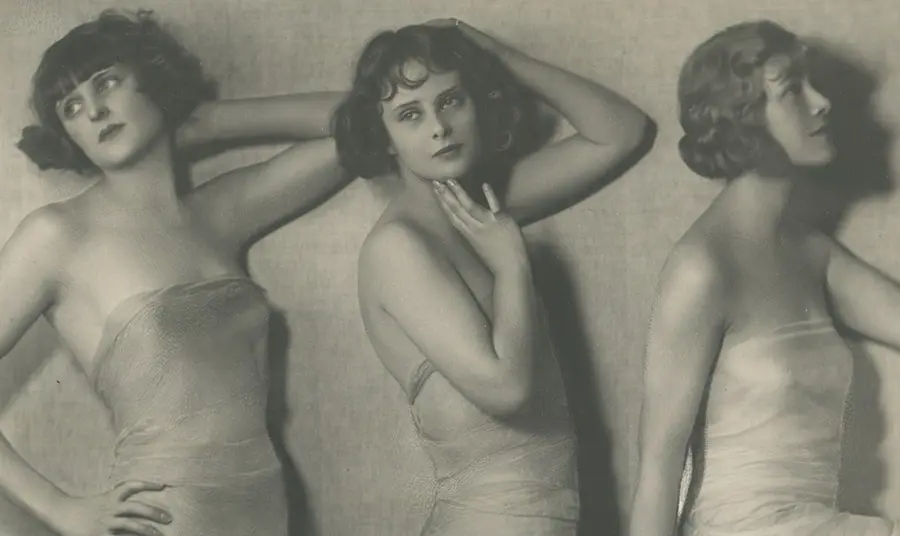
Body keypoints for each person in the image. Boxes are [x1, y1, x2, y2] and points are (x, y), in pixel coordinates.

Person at [6, 9, 348, 536]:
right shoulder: (58, 234)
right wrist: (60, 509)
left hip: (268, 512)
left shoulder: (220, 212)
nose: (95, 111)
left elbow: (367, 124)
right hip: (163, 521)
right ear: (68, 133)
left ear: (153, 78)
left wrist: (198, 121)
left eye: (108, 83)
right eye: (71, 107)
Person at [333, 18, 650, 535]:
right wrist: (510, 264)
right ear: (385, 138)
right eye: (410, 115)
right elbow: (507, 390)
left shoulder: (483, 211)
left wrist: (493, 51)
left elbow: (621, 131)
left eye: (452, 100)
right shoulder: (398, 248)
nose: (439, 127)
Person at [629, 20, 900, 536]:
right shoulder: (701, 267)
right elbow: (658, 472)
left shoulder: (810, 252)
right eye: (793, 89)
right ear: (743, 118)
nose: (821, 102)